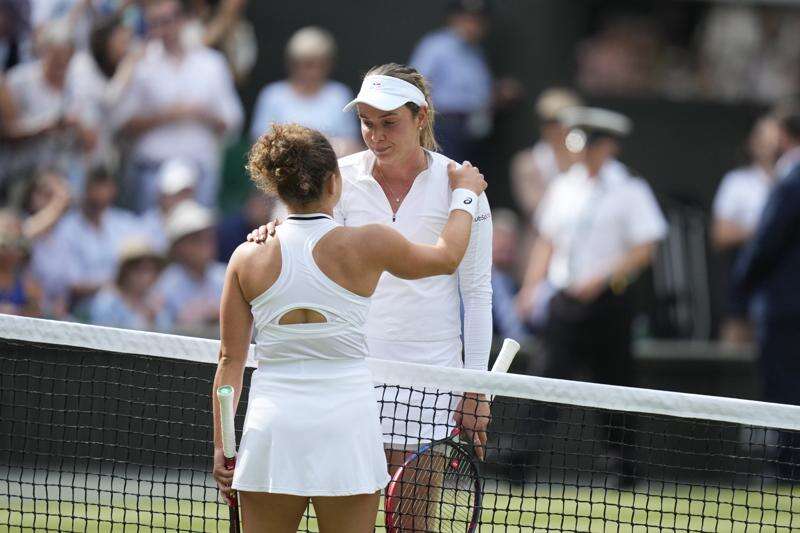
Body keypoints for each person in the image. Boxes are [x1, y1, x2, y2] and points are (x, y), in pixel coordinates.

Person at [212, 123, 486, 531]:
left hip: (273, 431)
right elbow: (446, 257)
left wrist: (222, 444)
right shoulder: (370, 243)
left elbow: (229, 363)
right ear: (334, 182)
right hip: (347, 431)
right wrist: (466, 193)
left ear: (276, 188)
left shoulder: (245, 258)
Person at [250, 64, 494, 470]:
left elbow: (477, 292)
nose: (376, 136)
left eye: (389, 123)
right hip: (349, 374)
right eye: (366, 123)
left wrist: (475, 387)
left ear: (421, 117)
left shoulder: (463, 187)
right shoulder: (337, 179)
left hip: (433, 377)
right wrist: (276, 233)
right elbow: (306, 241)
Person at [515, 107, 667, 485]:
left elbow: (645, 247)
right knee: (545, 377)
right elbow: (547, 241)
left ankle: (623, 465)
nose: (583, 151)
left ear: (608, 146)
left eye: (592, 144)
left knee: (615, 383)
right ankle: (518, 459)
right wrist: (532, 286)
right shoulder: (565, 186)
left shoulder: (630, 188)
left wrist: (601, 278)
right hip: (566, 302)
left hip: (609, 303)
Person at [115, 0, 243, 211]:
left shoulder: (212, 63)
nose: (164, 29)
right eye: (155, 23)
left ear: (183, 20)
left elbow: (232, 122)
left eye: (169, 20)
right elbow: (121, 124)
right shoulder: (139, 64)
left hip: (199, 174)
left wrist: (201, 114)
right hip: (151, 173)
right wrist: (166, 116)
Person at [734, 112, 800, 479]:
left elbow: (766, 243)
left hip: (786, 309)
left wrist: (741, 287)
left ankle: (790, 468)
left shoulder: (792, 179)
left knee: (785, 387)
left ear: (785, 136)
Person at [409, 0, 520, 163]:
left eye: (478, 20)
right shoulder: (436, 46)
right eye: (466, 19)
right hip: (444, 126)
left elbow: (476, 95)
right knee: (446, 179)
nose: (472, 25)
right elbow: (415, 84)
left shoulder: (477, 52)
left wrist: (498, 93)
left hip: (475, 128)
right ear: (453, 19)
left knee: (470, 182)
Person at [711, 115, 780, 344]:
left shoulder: (791, 179)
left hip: (785, 280)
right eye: (761, 138)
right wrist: (767, 230)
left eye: (773, 139)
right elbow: (720, 234)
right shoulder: (737, 182)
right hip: (746, 275)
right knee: (736, 337)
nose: (767, 145)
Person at [249, 26, 360, 156]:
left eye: (321, 64)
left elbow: (351, 143)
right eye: (308, 64)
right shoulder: (273, 95)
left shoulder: (339, 94)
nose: (314, 72)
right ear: (293, 64)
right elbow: (260, 143)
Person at [153, 199, 224, 334]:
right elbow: (162, 332)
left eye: (208, 236)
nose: (205, 243)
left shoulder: (227, 275)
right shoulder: (165, 285)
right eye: (196, 238)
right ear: (179, 247)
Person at [88, 238, 168, 330]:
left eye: (153, 270)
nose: (149, 276)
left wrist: (152, 318)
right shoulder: (108, 301)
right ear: (126, 271)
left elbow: (167, 332)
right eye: (142, 269)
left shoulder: (155, 302)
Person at [0, 209, 42, 317]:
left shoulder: (30, 289)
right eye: (5, 241)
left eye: (18, 243)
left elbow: (34, 323)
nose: (11, 249)